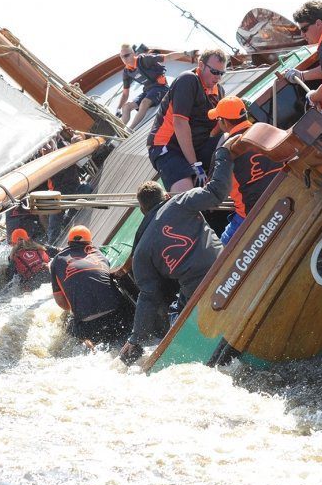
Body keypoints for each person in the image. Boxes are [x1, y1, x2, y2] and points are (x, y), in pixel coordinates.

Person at [118, 143, 233, 364]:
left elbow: (148, 296)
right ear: (166, 195)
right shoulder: (181, 201)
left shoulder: (141, 252)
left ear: (143, 211)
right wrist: (223, 155)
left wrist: (136, 339)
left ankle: (183, 353)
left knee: (175, 311)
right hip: (227, 267)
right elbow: (218, 191)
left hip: (196, 290)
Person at [146, 48, 227, 193]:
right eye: (214, 72)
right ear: (201, 65)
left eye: (221, 73)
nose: (218, 77)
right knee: (186, 195)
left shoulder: (219, 92)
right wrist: (195, 165)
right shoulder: (188, 80)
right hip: (168, 147)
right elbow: (180, 123)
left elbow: (217, 129)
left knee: (232, 140)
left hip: (197, 146)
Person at [207, 96, 285, 245]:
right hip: (284, 197)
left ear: (224, 122)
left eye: (218, 119)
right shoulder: (267, 129)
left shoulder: (224, 152)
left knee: (220, 251)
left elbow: (214, 192)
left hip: (250, 215)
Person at [50, 225, 134, 348]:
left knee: (66, 325)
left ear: (68, 243)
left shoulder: (56, 262)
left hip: (89, 326)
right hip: (118, 317)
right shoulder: (99, 254)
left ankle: (87, 342)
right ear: (89, 242)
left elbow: (62, 303)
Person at [117, 44, 194, 131]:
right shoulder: (127, 71)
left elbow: (167, 57)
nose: (124, 59)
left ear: (133, 53)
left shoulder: (145, 60)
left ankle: (129, 130)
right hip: (148, 90)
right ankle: (118, 131)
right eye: (122, 57)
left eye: (127, 55)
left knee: (144, 102)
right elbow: (125, 93)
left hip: (161, 87)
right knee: (126, 107)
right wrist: (118, 108)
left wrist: (185, 53)